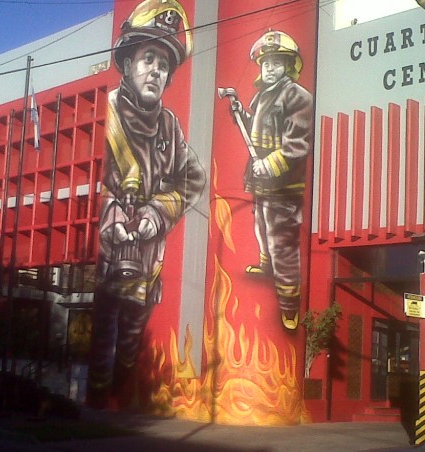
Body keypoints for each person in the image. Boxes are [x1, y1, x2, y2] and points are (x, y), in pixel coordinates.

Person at [88, 0, 206, 408]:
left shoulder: (170, 126)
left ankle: (115, 407)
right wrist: (111, 217)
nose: (156, 70)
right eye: (148, 58)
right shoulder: (103, 115)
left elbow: (195, 178)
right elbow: (86, 183)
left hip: (147, 267)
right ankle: (97, 406)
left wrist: (158, 212)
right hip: (104, 263)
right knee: (101, 346)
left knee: (131, 349)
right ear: (126, 63)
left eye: (163, 64)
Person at [227, 30, 313, 331]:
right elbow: (259, 132)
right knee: (260, 225)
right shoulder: (263, 95)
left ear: (290, 66)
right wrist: (242, 114)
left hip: (284, 183)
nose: (270, 68)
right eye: (266, 63)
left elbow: (296, 145)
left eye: (278, 62)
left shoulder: (298, 96)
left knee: (282, 241)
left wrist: (271, 164)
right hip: (262, 180)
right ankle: (266, 267)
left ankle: (289, 305)